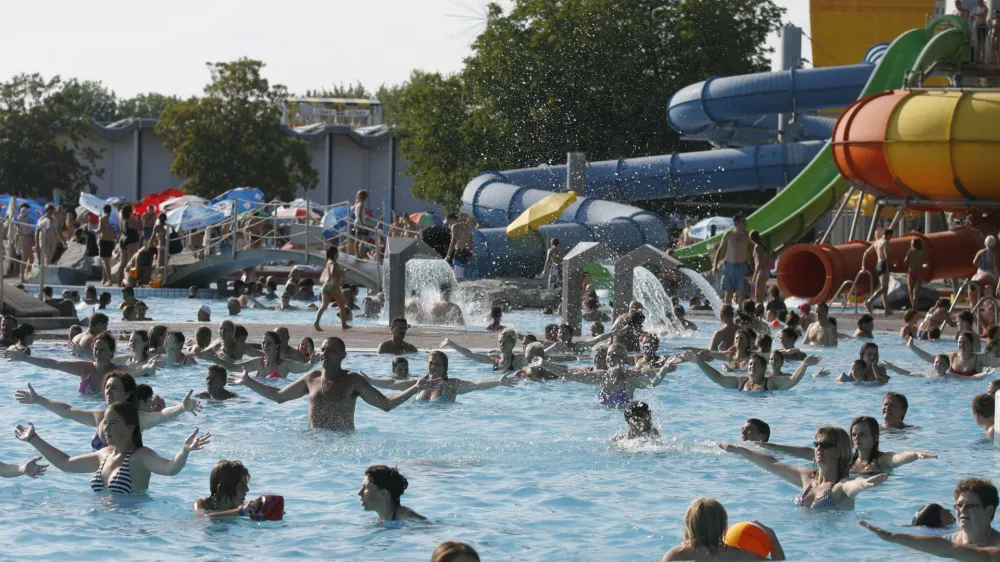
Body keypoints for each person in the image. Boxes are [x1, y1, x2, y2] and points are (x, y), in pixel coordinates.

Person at [227, 337, 439, 430]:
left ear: (343, 355)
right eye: (323, 349)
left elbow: (386, 404)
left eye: (330, 350)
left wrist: (414, 388)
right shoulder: (311, 378)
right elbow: (280, 396)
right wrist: (248, 382)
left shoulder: (353, 380)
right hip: (314, 440)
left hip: (342, 444)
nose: (324, 353)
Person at [14, 402, 211, 493]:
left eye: (113, 423)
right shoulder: (104, 455)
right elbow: (66, 464)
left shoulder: (141, 456)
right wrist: (33, 438)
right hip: (101, 531)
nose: (106, 428)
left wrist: (184, 451)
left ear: (130, 427)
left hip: (130, 531)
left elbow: (170, 469)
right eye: (105, 423)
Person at [15, 371, 201, 450]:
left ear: (128, 394)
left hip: (126, 481)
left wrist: (182, 408)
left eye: (115, 388)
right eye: (107, 387)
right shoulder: (100, 416)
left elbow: (160, 416)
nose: (108, 391)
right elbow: (67, 410)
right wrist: (38, 400)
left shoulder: (135, 419)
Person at [718, 426, 887, 509]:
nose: (819, 449)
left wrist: (864, 484)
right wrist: (739, 450)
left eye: (826, 445)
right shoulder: (808, 478)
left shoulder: (839, 487)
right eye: (816, 444)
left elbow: (853, 486)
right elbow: (773, 464)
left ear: (840, 451)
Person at [860, 478, 1000, 557]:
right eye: (959, 505)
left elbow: (954, 550)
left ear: (989, 511)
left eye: (970, 506)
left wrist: (893, 536)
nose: (962, 510)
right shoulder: (947, 539)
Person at [759, 416, 935, 475]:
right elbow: (810, 453)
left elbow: (898, 458)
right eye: (854, 435)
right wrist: (774, 446)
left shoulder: (882, 460)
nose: (857, 438)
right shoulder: (847, 459)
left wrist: (915, 454)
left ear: (875, 437)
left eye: (863, 434)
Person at [8, 332, 154, 394]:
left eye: (102, 350)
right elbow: (54, 363)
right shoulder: (84, 368)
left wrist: (148, 367)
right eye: (96, 349)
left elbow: (140, 371)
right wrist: (24, 358)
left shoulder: (119, 371)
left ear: (111, 353)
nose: (98, 353)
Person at [661, 498, 785, 561]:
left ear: (689, 524)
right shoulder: (739, 554)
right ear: (723, 526)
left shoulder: (678, 553)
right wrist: (772, 537)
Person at [563, 343, 679, 406]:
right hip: (599, 422)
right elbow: (569, 374)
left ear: (623, 359)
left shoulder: (630, 378)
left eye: (615, 355)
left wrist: (665, 368)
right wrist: (545, 364)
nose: (610, 358)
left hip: (621, 420)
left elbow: (653, 382)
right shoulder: (602, 376)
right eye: (609, 355)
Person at [682, 351, 824, 392]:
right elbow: (718, 378)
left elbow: (792, 380)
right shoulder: (740, 382)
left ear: (764, 368)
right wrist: (699, 361)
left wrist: (804, 364)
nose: (751, 367)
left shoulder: (771, 382)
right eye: (750, 364)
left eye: (755, 365)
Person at [198, 331, 315, 380]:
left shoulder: (284, 365)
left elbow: (304, 368)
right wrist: (212, 358)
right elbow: (233, 367)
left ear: (276, 346)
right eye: (263, 343)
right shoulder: (258, 362)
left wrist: (312, 361)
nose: (265, 345)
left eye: (269, 343)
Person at [411, 351, 517, 402]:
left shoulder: (450, 385)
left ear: (444, 368)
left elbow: (474, 385)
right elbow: (395, 384)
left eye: (437, 364)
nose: (433, 367)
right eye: (430, 363)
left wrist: (498, 382)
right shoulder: (419, 384)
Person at [907, 332, 1000, 378]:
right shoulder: (952, 357)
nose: (961, 345)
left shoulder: (979, 359)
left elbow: (997, 362)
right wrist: (912, 346)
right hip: (953, 392)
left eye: (965, 342)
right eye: (959, 342)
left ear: (971, 344)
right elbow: (930, 358)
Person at [358, 465, 426, 522]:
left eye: (366, 488)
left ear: (383, 493)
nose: (359, 493)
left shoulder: (409, 518)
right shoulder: (380, 522)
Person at [713, 213, 752, 307]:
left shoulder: (748, 236)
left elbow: (752, 253)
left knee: (742, 292)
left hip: (743, 266)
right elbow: (720, 250)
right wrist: (714, 266)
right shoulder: (728, 234)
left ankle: (741, 314)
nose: (745, 224)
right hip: (729, 266)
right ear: (736, 223)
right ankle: (727, 313)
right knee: (728, 292)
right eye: (743, 221)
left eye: (745, 221)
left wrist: (752, 268)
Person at [313, 246, 351, 331]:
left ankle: (316, 322)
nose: (338, 254)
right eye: (337, 253)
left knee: (324, 306)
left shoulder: (328, 262)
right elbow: (333, 272)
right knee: (342, 306)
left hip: (326, 286)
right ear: (334, 254)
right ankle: (344, 325)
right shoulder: (334, 263)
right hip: (334, 286)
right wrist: (342, 272)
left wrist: (342, 272)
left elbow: (331, 273)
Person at [884, 353, 995, 380]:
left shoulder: (951, 377)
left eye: (941, 363)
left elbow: (971, 378)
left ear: (947, 365)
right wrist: (891, 367)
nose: (938, 364)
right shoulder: (927, 374)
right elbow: (907, 374)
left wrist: (985, 373)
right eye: (936, 362)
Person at [864, 229, 895, 317]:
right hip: (884, 264)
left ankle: (886, 309)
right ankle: (869, 301)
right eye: (891, 236)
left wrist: (863, 265)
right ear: (889, 235)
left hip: (878, 265)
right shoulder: (885, 242)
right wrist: (893, 263)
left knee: (884, 288)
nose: (891, 238)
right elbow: (886, 256)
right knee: (884, 287)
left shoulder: (877, 242)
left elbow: (866, 253)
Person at [546, 323, 617, 355]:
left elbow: (598, 339)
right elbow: (542, 353)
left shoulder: (578, 346)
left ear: (571, 336)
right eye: (560, 333)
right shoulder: (556, 346)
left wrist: (614, 333)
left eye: (565, 333)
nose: (562, 335)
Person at [444, 213, 474, 279]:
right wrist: (471, 253)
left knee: (457, 277)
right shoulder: (467, 226)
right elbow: (471, 241)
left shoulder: (455, 226)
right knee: (463, 275)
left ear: (451, 219)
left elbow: (453, 242)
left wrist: (448, 256)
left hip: (460, 252)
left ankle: (458, 288)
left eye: (448, 221)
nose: (448, 224)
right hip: (467, 252)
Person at [904, 238, 927, 312]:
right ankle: (914, 308)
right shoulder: (923, 252)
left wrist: (910, 261)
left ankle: (913, 308)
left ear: (913, 244)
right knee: (916, 292)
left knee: (911, 291)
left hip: (911, 272)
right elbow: (926, 264)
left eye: (911, 243)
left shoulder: (910, 252)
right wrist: (921, 265)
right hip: (919, 272)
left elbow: (905, 262)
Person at [749, 230, 771, 306]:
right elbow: (767, 259)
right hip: (765, 272)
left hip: (761, 272)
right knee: (760, 295)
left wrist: (754, 276)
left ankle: (759, 313)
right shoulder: (761, 246)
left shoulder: (757, 247)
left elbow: (759, 263)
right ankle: (761, 313)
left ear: (751, 238)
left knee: (757, 296)